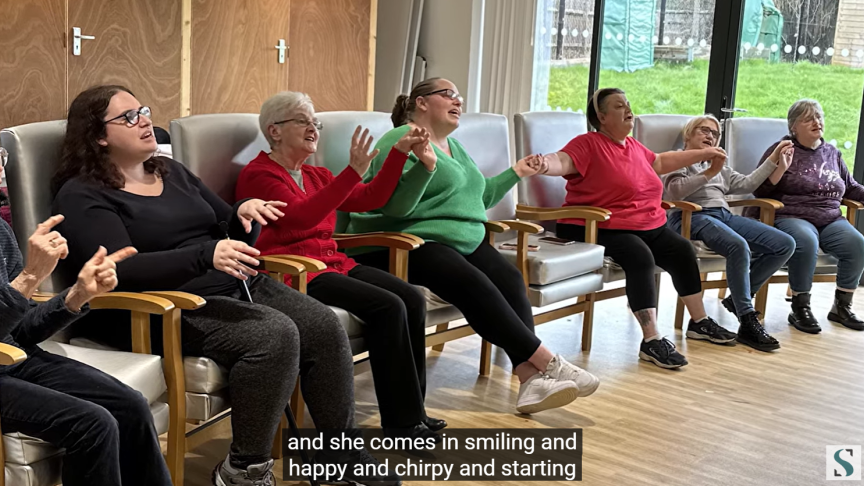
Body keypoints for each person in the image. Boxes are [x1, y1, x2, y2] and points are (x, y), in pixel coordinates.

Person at [51, 85, 400, 486]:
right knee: (274, 335)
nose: (145, 120)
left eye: (143, 111)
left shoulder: (172, 172)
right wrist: (204, 256)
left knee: (322, 325)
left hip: (228, 282)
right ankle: (243, 470)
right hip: (159, 307)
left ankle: (340, 456)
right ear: (98, 135)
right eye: (128, 117)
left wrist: (243, 214)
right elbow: (117, 271)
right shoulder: (82, 194)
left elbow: (224, 224)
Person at [344, 78, 600, 415]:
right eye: (448, 95)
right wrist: (424, 167)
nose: (458, 102)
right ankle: (547, 363)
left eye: (459, 97)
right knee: (473, 283)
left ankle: (528, 379)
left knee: (509, 279)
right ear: (422, 102)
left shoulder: (454, 146)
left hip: (457, 239)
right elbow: (395, 208)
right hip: (406, 240)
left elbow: (478, 198)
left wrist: (516, 172)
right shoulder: (401, 138)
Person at [235, 91, 444, 441]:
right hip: (295, 273)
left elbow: (371, 197)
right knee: (388, 306)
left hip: (332, 263)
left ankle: (412, 412)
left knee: (411, 297)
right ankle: (402, 424)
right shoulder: (258, 175)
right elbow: (301, 219)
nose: (313, 128)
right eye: (303, 121)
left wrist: (398, 153)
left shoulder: (316, 175)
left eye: (315, 122)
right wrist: (351, 172)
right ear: (274, 130)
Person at [538, 88, 730, 369]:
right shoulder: (588, 143)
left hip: (643, 223)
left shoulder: (632, 146)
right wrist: (544, 163)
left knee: (682, 249)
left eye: (627, 104)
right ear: (602, 117)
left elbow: (660, 162)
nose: (628, 109)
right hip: (594, 224)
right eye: (619, 106)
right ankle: (651, 340)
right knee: (640, 256)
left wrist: (703, 153)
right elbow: (562, 160)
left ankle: (699, 322)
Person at [0, 212, 172, 486]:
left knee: (131, 405)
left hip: (16, 356)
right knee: (94, 424)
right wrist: (30, 276)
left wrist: (77, 295)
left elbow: (21, 330)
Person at [662, 114, 796, 351]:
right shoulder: (678, 160)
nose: (710, 136)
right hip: (692, 217)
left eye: (714, 134)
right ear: (688, 135)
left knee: (785, 244)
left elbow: (746, 184)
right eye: (703, 130)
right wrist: (710, 171)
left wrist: (774, 159)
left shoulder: (719, 164)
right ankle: (747, 318)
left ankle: (737, 299)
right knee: (738, 246)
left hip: (724, 215)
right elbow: (673, 193)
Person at [749, 99, 864, 334]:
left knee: (857, 244)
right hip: (790, 214)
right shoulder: (781, 149)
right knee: (806, 241)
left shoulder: (831, 152)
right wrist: (780, 166)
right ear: (793, 127)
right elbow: (759, 189)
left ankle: (842, 306)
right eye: (808, 118)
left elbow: (850, 188)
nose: (816, 122)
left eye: (819, 117)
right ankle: (800, 307)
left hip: (830, 217)